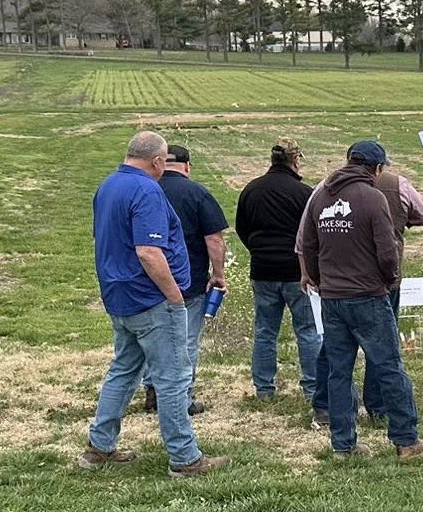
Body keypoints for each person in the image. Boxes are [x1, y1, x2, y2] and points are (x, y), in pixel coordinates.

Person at [83, 130, 229, 477]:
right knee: (173, 379)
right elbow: (149, 251)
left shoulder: (109, 184)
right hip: (151, 300)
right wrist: (175, 295)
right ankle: (185, 458)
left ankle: (99, 448)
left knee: (123, 371)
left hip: (120, 298)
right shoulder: (146, 189)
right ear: (158, 161)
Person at [303, 141, 423, 460]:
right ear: (375, 169)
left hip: (332, 299)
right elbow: (387, 249)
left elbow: (308, 245)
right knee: (389, 366)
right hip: (368, 296)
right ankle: (406, 440)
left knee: (339, 371)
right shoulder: (373, 197)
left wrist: (322, 282)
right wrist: (389, 280)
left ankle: (343, 445)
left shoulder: (320, 195)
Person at [234, 137, 321, 402]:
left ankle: (264, 388)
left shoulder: (252, 189)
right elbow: (313, 234)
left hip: (262, 270)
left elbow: (242, 228)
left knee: (264, 331)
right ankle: (312, 388)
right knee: (307, 331)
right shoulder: (304, 193)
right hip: (298, 272)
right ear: (295, 161)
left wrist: (258, 250)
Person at [153, 143, 227, 413]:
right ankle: (181, 399)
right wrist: (218, 274)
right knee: (185, 341)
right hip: (189, 281)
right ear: (187, 166)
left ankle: (154, 390)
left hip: (149, 278)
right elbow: (214, 239)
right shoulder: (197, 193)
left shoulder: (147, 190)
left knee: (154, 338)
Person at [361, 157, 423, 423]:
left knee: (339, 346)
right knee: (384, 342)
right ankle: (378, 405)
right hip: (385, 278)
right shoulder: (397, 184)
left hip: (343, 280)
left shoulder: (331, 185)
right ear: (379, 167)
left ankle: (332, 405)